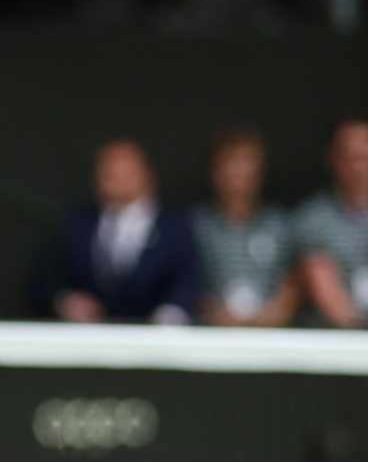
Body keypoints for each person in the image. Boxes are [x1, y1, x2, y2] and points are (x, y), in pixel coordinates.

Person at [44, 140, 200, 325]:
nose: (118, 179)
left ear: (147, 176)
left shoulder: (176, 226)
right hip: (87, 339)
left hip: (157, 341)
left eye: (126, 172)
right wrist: (66, 301)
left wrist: (172, 313)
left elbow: (189, 279)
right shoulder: (77, 223)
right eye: (109, 173)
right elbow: (46, 278)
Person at [194, 130, 297, 327]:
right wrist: (212, 311)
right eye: (232, 162)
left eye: (248, 162)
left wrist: (278, 310)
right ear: (215, 171)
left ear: (260, 171)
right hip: (211, 339)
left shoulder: (281, 225)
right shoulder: (197, 226)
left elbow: (294, 280)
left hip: (272, 338)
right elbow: (188, 282)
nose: (240, 171)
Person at [290, 120, 368, 328]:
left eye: (364, 157)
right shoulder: (313, 218)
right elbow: (326, 290)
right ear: (334, 159)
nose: (358, 167)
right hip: (333, 343)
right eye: (350, 157)